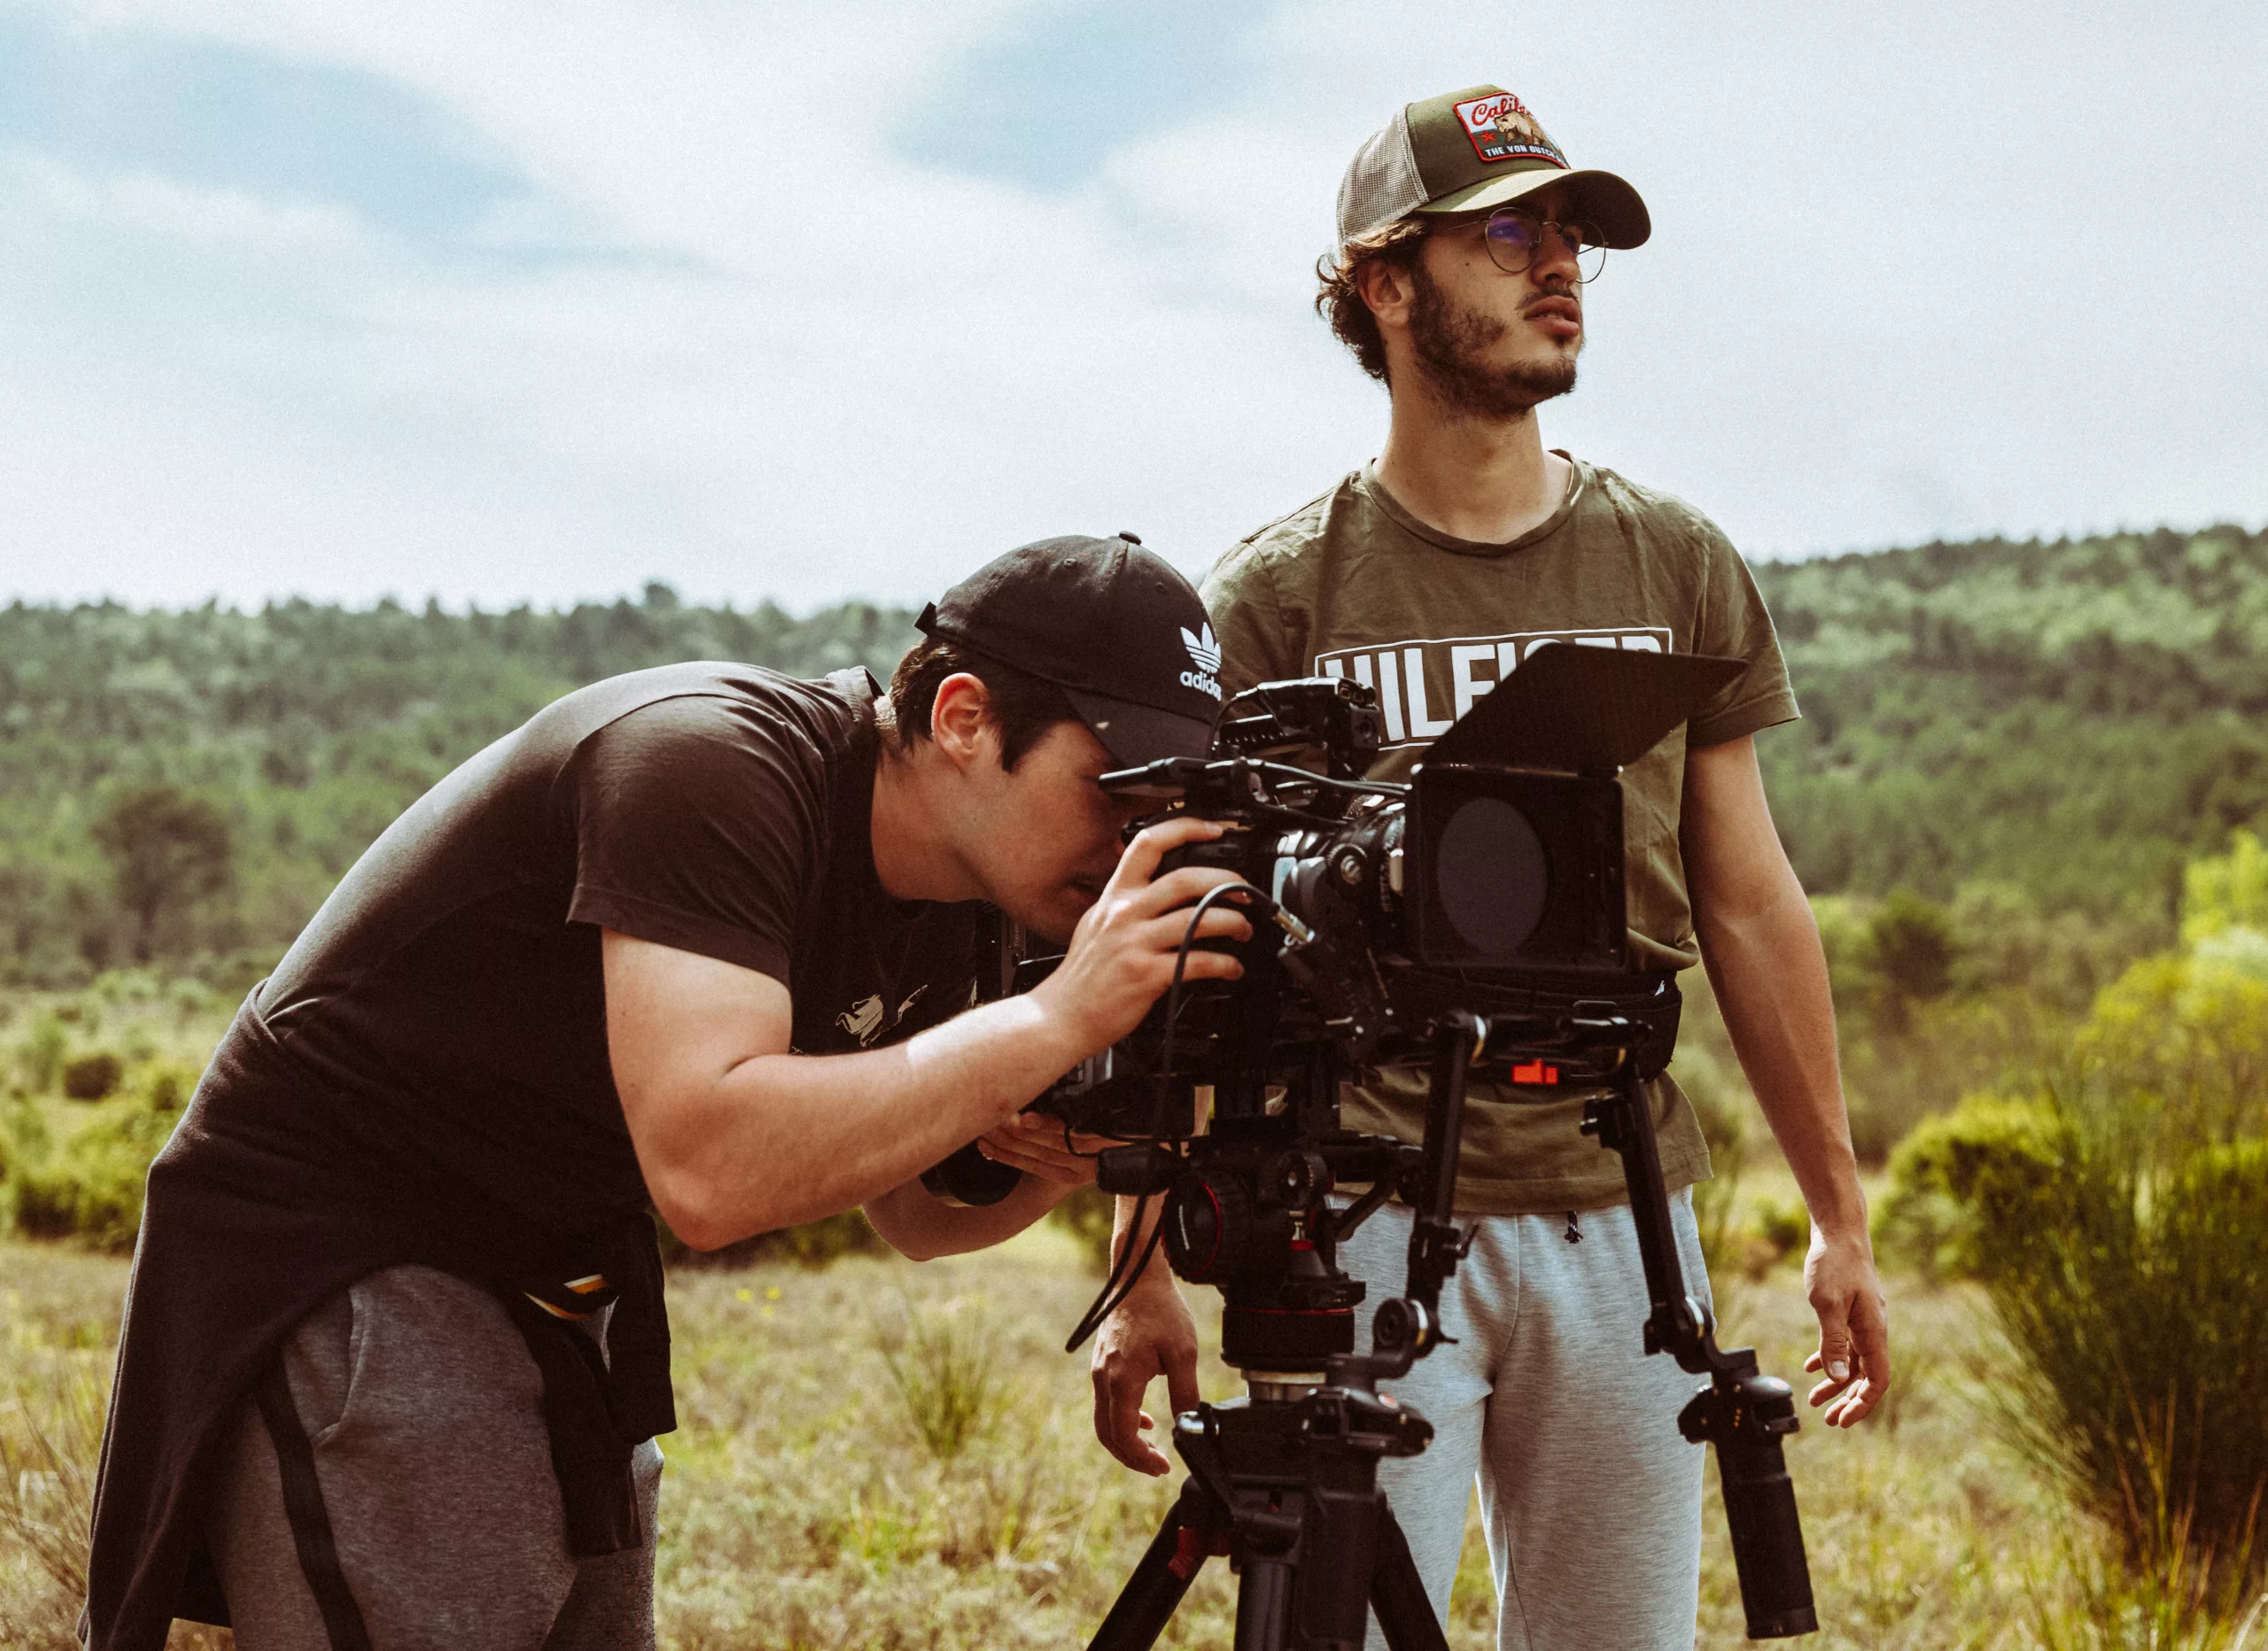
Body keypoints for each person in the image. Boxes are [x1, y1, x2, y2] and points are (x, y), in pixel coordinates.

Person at [82, 533, 1256, 1651]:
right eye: (1115, 787)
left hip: (555, 1274)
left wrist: (1073, 1160)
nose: (1132, 840)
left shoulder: (970, 900)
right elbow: (712, 1168)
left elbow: (916, 1217)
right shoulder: (711, 767)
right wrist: (1058, 1017)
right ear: (963, 720)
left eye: (1167, 805)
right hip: (354, 1258)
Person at [1086, 85, 1891, 1648]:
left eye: (1575, 233)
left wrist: (1836, 1209)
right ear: (1385, 283)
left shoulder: (1673, 562)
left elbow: (1747, 899)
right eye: (1509, 230)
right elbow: (1178, 941)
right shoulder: (1274, 596)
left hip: (1624, 1209)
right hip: (1363, 1206)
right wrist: (1142, 1266)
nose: (1560, 265)